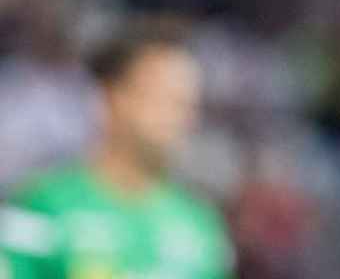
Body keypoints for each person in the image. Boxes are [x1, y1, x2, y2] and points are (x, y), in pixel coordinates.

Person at [0, 19, 234, 278]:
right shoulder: (44, 205)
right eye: (162, 97)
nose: (178, 116)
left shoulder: (200, 227)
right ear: (110, 98)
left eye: (187, 104)